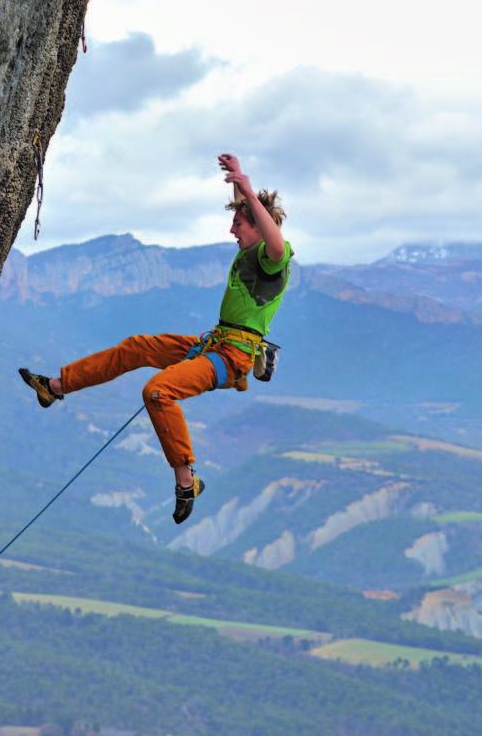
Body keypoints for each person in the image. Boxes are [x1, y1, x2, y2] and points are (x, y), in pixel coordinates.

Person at [19, 154, 293, 524]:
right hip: (215, 343)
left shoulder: (271, 260)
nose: (232, 230)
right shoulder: (249, 253)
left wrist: (246, 188)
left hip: (232, 356)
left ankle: (186, 481)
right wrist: (237, 185)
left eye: (239, 223)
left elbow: (275, 244)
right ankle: (55, 386)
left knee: (158, 392)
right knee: (137, 347)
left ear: (259, 227)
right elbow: (255, 223)